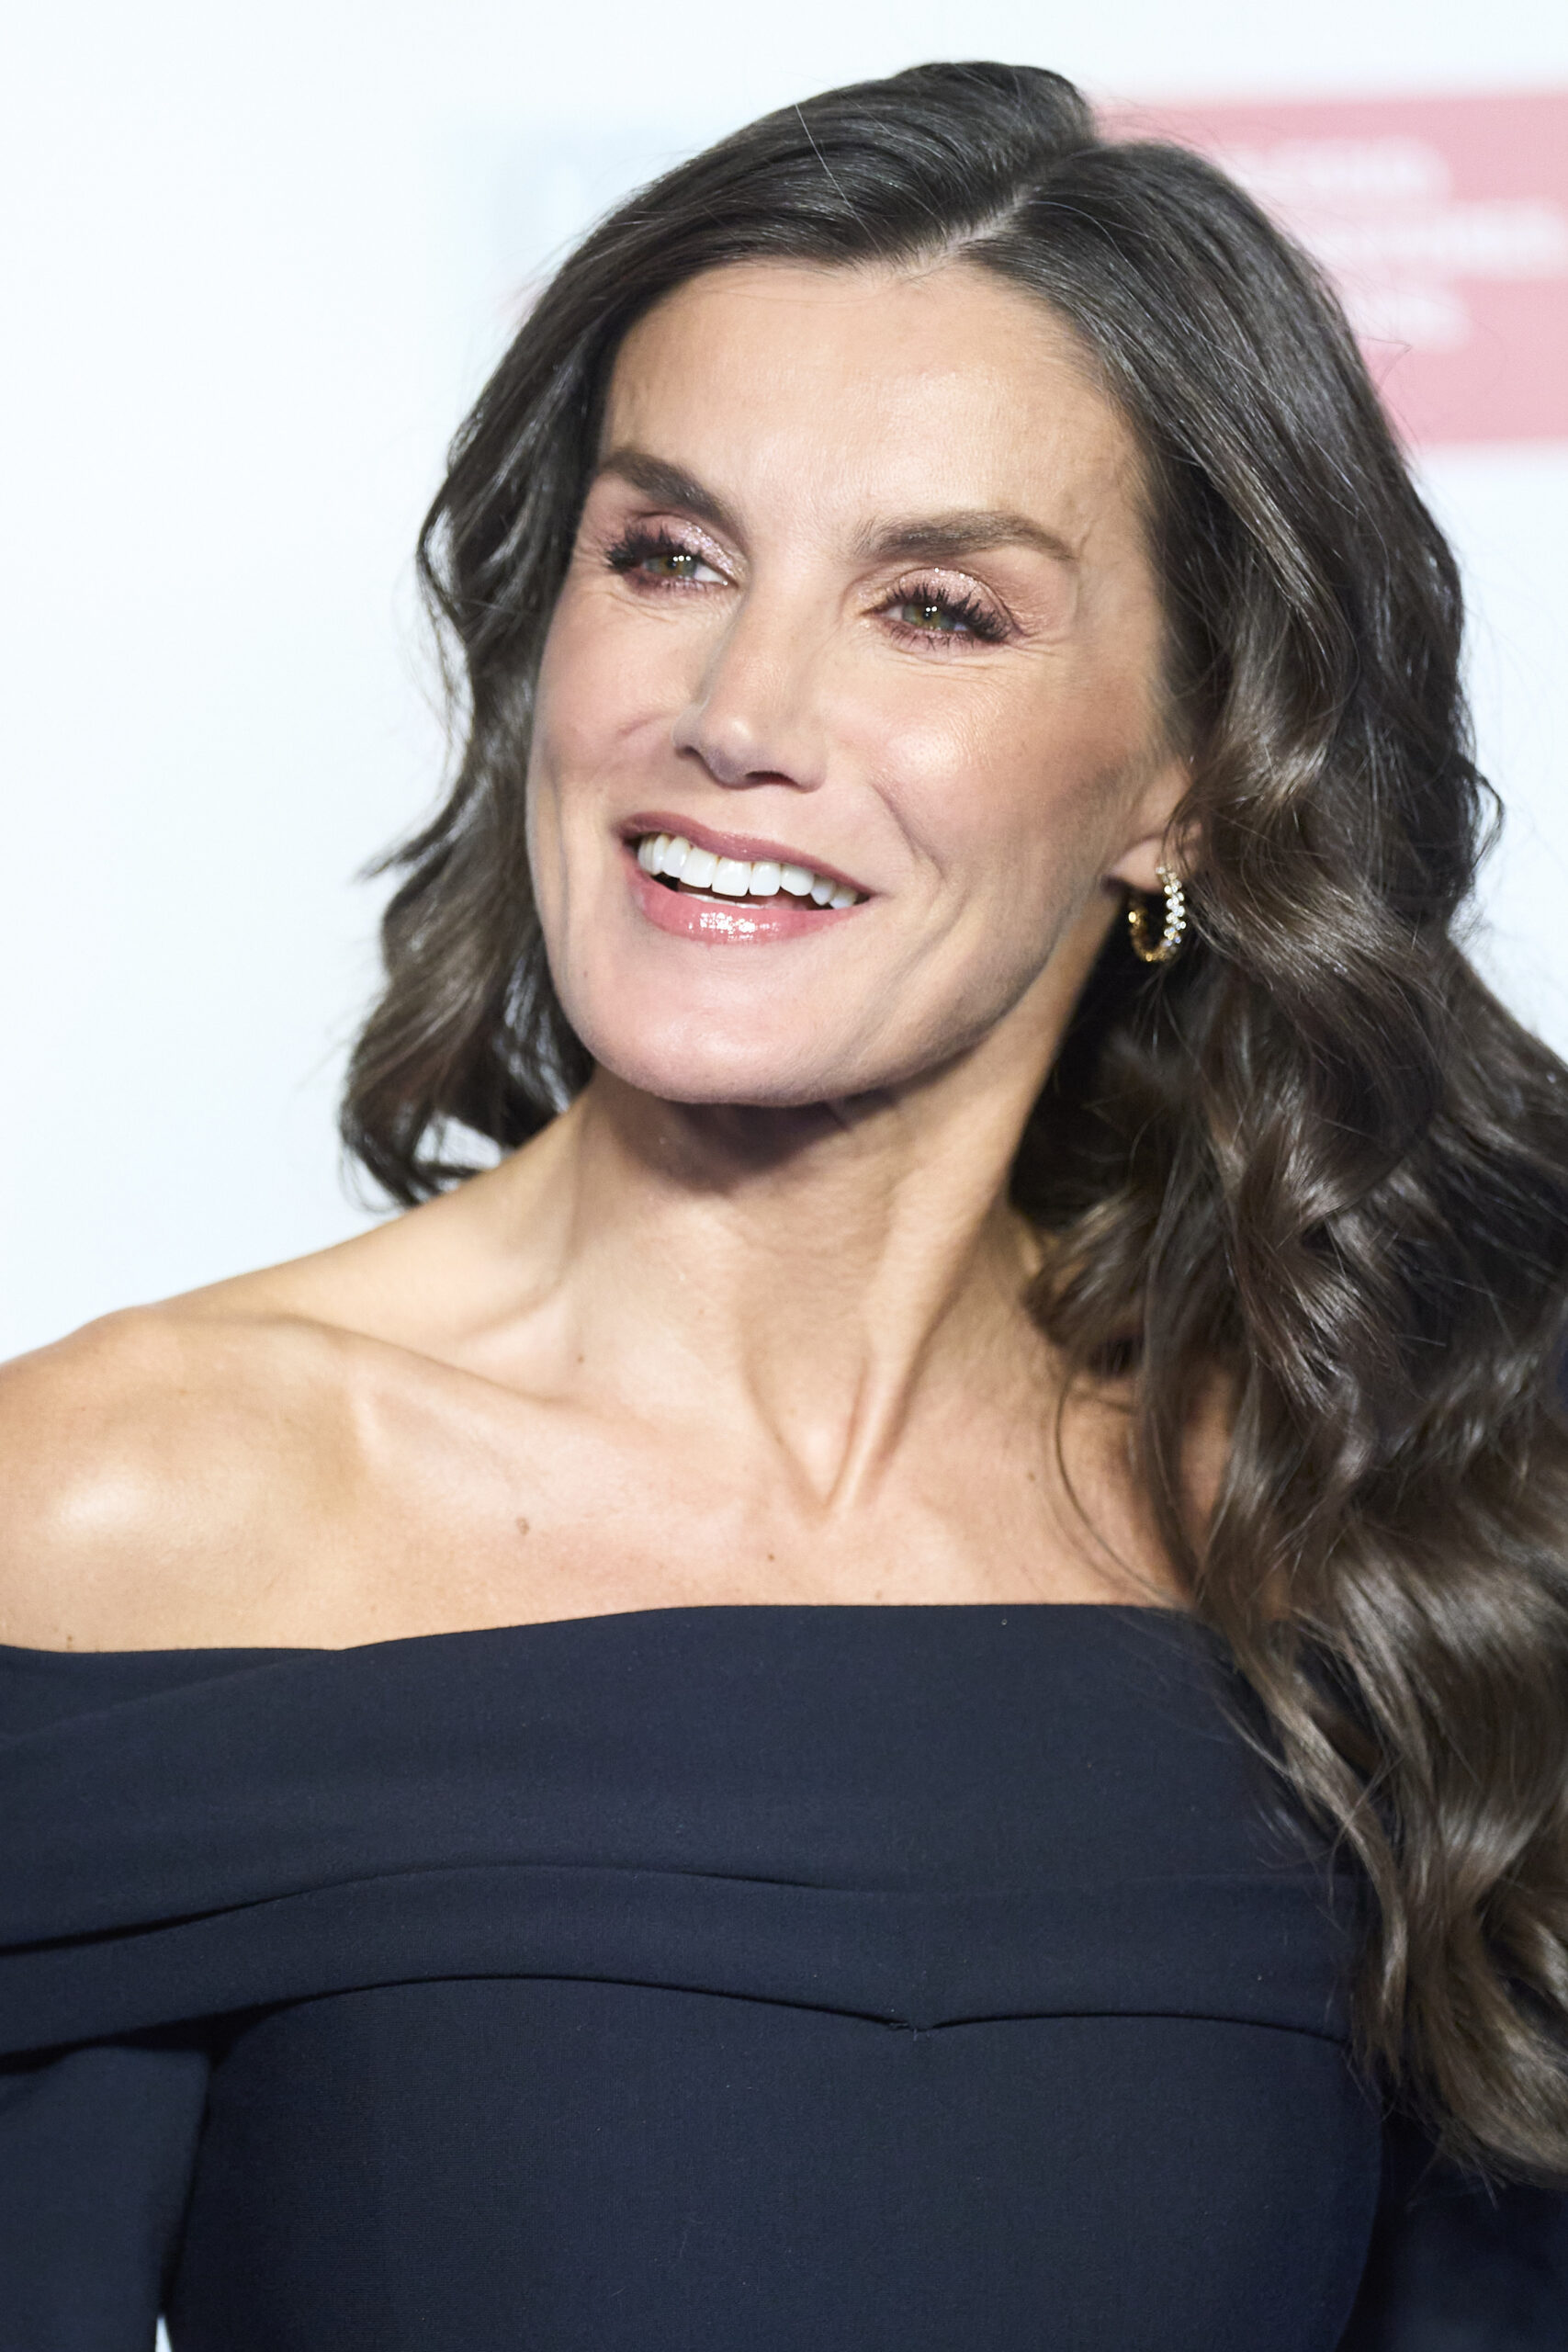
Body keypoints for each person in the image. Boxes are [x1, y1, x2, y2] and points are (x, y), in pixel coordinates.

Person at [2, 57, 1566, 2351]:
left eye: (931, 606)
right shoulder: (110, 1506)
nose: (738, 708)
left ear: (1187, 779)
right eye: (668, 556)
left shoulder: (1379, 1516)